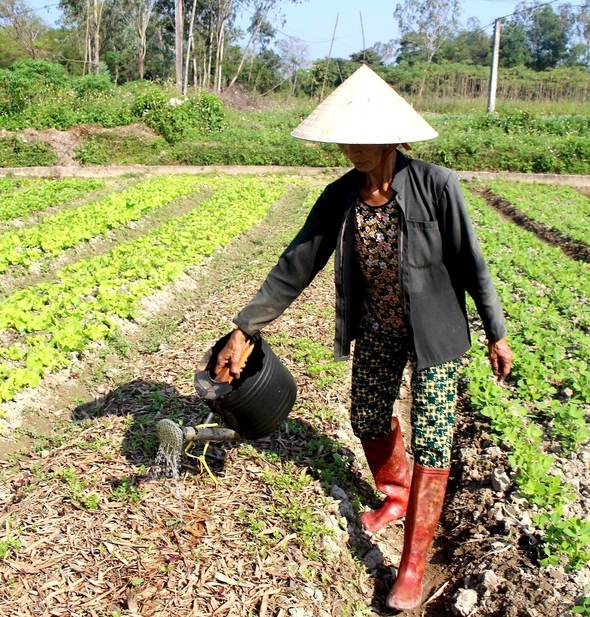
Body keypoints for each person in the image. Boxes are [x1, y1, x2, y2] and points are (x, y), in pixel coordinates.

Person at [213, 64, 512, 611]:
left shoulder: (436, 186)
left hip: (437, 336)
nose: (350, 147)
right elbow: (296, 264)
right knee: (367, 416)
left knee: (433, 437)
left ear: (391, 138)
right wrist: (245, 327)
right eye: (345, 137)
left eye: (361, 138)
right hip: (377, 329)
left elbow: (473, 265)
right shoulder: (340, 197)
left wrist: (496, 331)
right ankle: (396, 493)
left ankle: (414, 563)